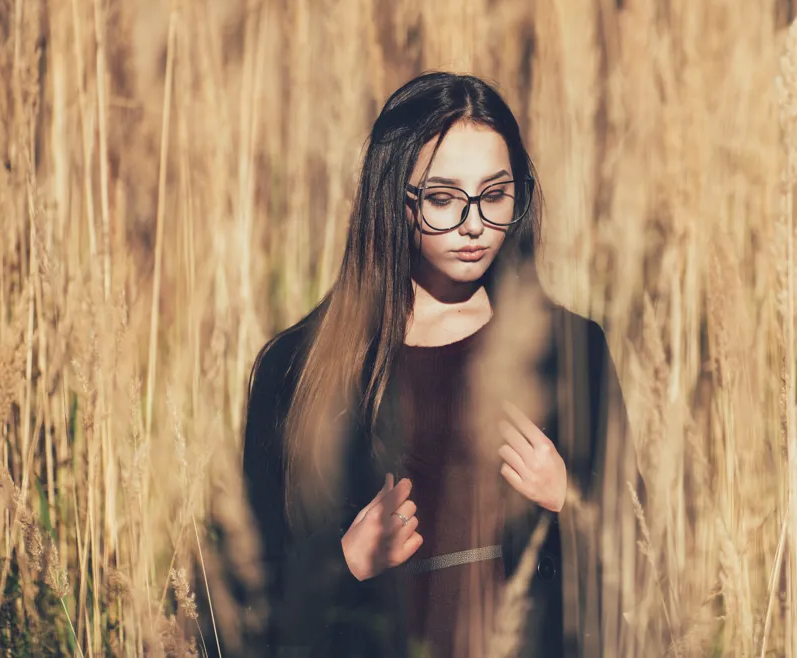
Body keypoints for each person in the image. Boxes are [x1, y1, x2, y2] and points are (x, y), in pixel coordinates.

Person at [240, 73, 642, 658]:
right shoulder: (301, 369)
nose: (474, 223)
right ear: (393, 199)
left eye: (495, 195)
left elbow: (643, 549)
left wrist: (569, 504)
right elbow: (251, 590)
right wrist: (344, 563)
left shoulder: (569, 351)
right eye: (442, 198)